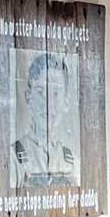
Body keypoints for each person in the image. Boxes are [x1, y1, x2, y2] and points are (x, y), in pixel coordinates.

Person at [12, 51, 78, 187]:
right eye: (40, 92)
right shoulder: (12, 158)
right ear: (28, 98)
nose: (48, 104)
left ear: (66, 102)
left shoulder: (73, 162)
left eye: (55, 93)